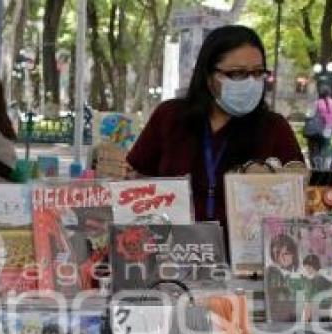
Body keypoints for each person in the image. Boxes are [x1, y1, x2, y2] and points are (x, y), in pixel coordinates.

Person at [126, 25, 303, 233]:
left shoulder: (275, 128)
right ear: (209, 76)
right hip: (172, 251)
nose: (250, 82)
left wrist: (271, 178)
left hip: (247, 257)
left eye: (258, 73)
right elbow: (134, 179)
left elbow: (298, 192)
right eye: (237, 74)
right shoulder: (170, 116)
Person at [307, 86, 332, 169]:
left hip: (318, 131)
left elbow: (310, 115)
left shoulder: (317, 103)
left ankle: (316, 167)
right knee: (325, 149)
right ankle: (325, 167)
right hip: (330, 130)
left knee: (315, 149)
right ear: (330, 94)